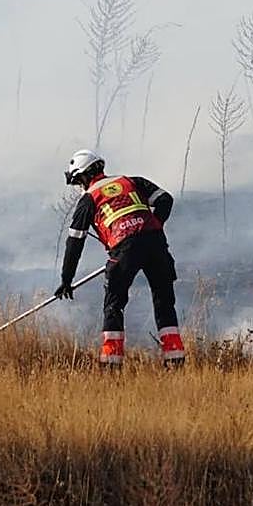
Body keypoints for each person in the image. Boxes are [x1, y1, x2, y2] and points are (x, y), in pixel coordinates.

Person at [55, 149, 185, 367]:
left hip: (124, 250)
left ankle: (112, 364)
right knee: (164, 302)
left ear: (85, 176)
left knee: (114, 305)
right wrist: (154, 225)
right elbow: (165, 199)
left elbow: (75, 242)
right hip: (156, 244)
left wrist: (66, 280)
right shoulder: (131, 181)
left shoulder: (89, 198)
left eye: (79, 182)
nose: (80, 187)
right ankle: (174, 360)